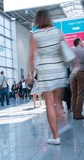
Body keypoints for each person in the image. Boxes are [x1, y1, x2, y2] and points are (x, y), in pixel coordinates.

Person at [27, 10, 68, 145]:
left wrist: (29, 73)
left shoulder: (35, 35)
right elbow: (65, 49)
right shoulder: (57, 31)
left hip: (45, 70)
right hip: (59, 69)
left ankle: (55, 137)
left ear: (37, 20)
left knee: (49, 103)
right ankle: (64, 124)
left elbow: (32, 55)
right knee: (58, 102)